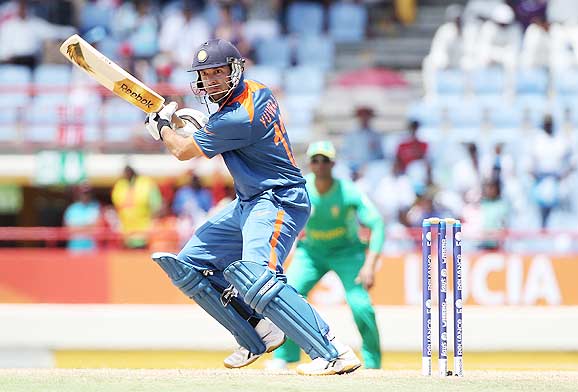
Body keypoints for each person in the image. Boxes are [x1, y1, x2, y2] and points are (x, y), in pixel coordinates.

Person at [144, 38, 361, 375]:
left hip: (278, 199)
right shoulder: (257, 91)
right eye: (206, 75)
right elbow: (214, 133)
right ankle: (257, 331)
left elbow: (182, 151)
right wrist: (190, 124)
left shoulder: (239, 117)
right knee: (190, 264)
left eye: (219, 72)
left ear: (236, 70)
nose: (212, 80)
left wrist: (161, 126)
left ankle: (333, 351)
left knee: (259, 276)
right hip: (249, 200)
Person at [268, 141, 384, 370]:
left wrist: (369, 265)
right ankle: (285, 357)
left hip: (348, 253)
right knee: (285, 297)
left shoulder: (348, 191)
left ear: (333, 164)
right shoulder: (302, 189)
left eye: (325, 161)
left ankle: (373, 364)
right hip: (312, 252)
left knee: (361, 306)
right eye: (315, 160)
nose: (320, 165)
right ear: (310, 164)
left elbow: (377, 223)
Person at [111, 165, 162, 249]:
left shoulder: (147, 184)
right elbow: (116, 208)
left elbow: (157, 207)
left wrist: (152, 224)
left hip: (145, 234)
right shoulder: (119, 185)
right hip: (125, 235)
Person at [63, 183, 100, 252]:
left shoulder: (96, 207)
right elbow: (68, 229)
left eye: (87, 193)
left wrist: (78, 227)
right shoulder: (72, 209)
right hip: (75, 249)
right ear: (78, 194)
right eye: (83, 193)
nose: (85, 195)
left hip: (92, 249)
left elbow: (98, 226)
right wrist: (88, 227)